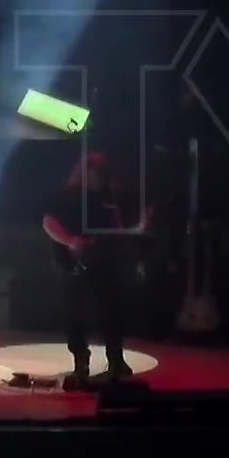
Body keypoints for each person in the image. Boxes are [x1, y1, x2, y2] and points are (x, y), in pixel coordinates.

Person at [41, 152, 140, 388]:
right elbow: (49, 223)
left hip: (102, 260)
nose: (101, 177)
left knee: (112, 310)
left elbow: (115, 228)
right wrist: (71, 241)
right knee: (75, 313)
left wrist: (131, 230)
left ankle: (115, 360)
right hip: (75, 263)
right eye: (98, 172)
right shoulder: (70, 196)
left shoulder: (108, 198)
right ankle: (81, 362)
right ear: (86, 172)